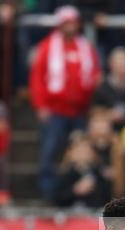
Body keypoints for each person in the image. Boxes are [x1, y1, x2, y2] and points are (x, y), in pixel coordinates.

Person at [30, 5, 101, 201]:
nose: (70, 27)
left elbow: (94, 73)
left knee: (83, 152)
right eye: (66, 23)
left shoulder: (85, 47)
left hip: (79, 110)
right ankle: (48, 193)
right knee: (50, 152)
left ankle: (85, 193)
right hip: (55, 110)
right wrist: (40, 105)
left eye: (73, 23)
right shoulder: (47, 47)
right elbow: (37, 78)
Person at [54, 132, 110, 209]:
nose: (83, 154)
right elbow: (56, 199)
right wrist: (75, 191)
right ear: (70, 154)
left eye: (86, 150)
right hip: (70, 217)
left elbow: (105, 199)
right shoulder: (64, 174)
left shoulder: (98, 173)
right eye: (79, 150)